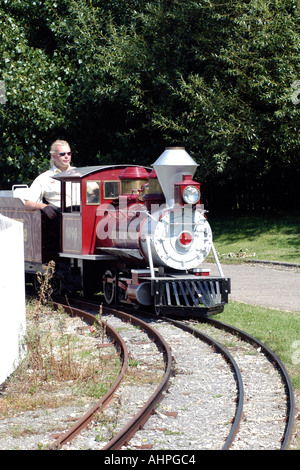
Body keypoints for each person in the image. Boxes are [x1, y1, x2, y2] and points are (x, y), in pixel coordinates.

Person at [24, 140, 73, 219]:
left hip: (84, 214)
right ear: (53, 156)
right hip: (59, 218)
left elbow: (96, 191)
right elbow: (27, 204)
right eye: (62, 154)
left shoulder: (80, 174)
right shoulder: (44, 178)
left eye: (69, 153)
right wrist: (43, 207)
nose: (66, 156)